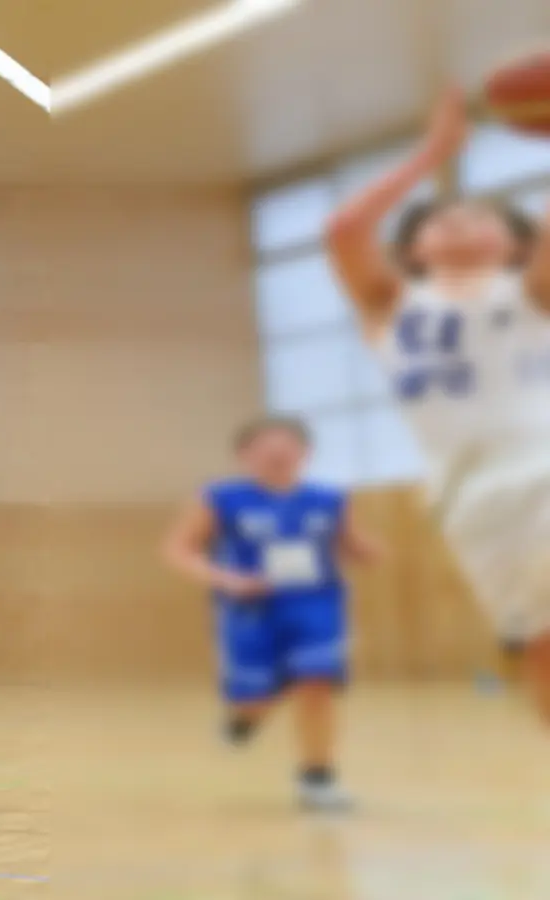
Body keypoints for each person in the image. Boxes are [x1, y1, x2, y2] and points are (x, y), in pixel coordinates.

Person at [324, 88, 550, 723]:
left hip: (544, 470)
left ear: (515, 246)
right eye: (438, 220)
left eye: (481, 217)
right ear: (412, 251)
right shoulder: (389, 306)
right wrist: (432, 154)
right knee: (537, 644)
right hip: (469, 498)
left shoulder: (532, 291)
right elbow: (344, 230)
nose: (458, 222)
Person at [162, 417, 382, 812]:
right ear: (244, 455)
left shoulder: (329, 498)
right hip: (251, 607)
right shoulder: (220, 498)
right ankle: (244, 718)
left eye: (287, 447)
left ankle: (318, 779)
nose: (278, 454)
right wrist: (226, 579)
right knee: (260, 693)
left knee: (316, 681)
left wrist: (368, 552)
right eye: (266, 448)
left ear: (305, 453)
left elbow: (350, 546)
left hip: (316, 604)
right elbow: (179, 550)